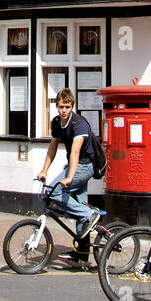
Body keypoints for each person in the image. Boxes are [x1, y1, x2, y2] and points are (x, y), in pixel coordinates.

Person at [35, 89, 100, 244]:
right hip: (74, 165)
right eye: (61, 107)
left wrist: (70, 176)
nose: (64, 110)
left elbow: (75, 152)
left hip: (85, 166)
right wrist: (44, 170)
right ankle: (81, 253)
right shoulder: (57, 122)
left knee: (52, 192)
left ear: (72, 107)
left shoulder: (79, 124)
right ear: (57, 106)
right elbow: (52, 148)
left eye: (67, 107)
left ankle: (88, 214)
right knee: (80, 204)